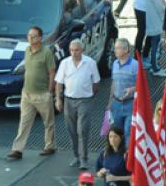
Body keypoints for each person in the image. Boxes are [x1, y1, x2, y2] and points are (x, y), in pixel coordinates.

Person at [8, 26, 58, 159]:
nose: (30, 38)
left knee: (48, 123)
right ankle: (17, 149)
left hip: (42, 94)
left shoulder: (47, 52)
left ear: (40, 38)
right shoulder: (26, 50)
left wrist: (49, 91)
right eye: (29, 35)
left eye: (33, 36)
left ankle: (50, 146)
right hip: (27, 94)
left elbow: (52, 72)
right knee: (24, 122)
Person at [55, 40, 102, 168]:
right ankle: (76, 156)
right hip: (68, 100)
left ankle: (83, 158)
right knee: (71, 130)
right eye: (71, 50)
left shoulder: (90, 63)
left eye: (76, 50)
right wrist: (58, 99)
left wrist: (90, 95)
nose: (74, 53)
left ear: (82, 50)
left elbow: (96, 82)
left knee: (82, 130)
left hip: (84, 101)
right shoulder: (65, 63)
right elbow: (59, 82)